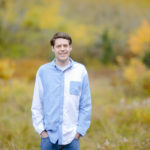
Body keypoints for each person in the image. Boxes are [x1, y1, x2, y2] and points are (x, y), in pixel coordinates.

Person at [31, 32, 91, 150]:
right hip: (49, 139)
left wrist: (78, 133)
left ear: (70, 47)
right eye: (59, 46)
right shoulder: (43, 71)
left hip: (72, 139)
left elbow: (85, 105)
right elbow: (37, 104)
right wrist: (42, 131)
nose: (62, 49)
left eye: (65, 45)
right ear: (53, 48)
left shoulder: (80, 71)